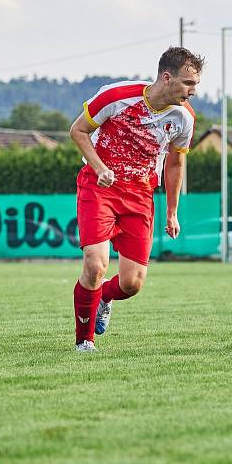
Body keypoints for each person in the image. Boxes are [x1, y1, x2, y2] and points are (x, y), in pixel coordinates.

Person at [69, 47, 203, 352]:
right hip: (99, 188)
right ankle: (84, 341)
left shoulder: (184, 118)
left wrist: (172, 211)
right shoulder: (116, 96)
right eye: (188, 84)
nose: (192, 92)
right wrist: (100, 168)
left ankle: (103, 296)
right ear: (166, 78)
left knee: (132, 283)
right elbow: (77, 131)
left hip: (140, 195)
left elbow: (176, 163)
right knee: (95, 264)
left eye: (195, 85)